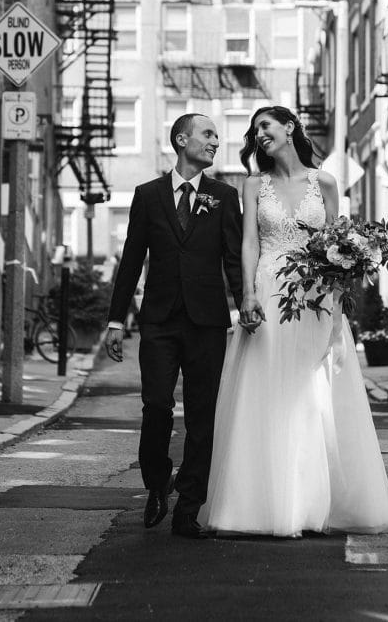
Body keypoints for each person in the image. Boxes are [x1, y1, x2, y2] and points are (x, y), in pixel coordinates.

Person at [203, 105, 388, 537]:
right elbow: (250, 242)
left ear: (290, 127)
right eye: (255, 130)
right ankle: (262, 504)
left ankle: (312, 502)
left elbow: (341, 242)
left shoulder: (324, 182)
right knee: (268, 391)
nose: (260, 134)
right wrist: (248, 295)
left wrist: (340, 292)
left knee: (314, 396)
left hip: (315, 297)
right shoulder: (253, 185)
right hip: (271, 292)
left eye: (266, 125)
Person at [104, 114, 244, 539]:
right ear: (180, 140)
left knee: (202, 415)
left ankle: (188, 507)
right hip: (160, 321)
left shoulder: (224, 196)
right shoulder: (147, 196)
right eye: (207, 134)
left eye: (217, 136)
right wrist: (115, 319)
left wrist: (248, 306)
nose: (216, 142)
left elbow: (233, 260)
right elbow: (131, 260)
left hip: (206, 321)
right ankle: (157, 481)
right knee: (157, 407)